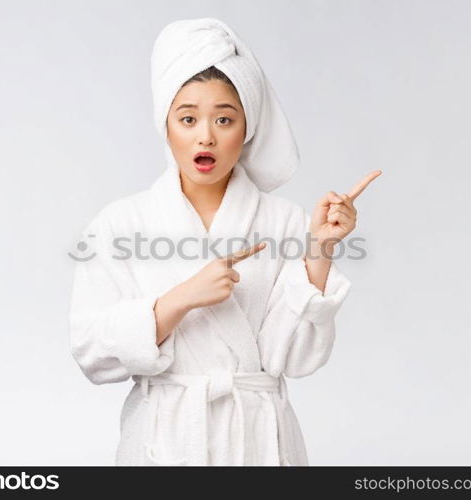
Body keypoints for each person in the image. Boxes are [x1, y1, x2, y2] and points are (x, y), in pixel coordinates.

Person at [68, 17, 380, 466]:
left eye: (224, 119)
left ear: (247, 129)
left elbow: (292, 358)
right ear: (166, 124)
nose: (206, 135)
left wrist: (319, 251)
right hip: (164, 442)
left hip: (258, 442)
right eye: (188, 117)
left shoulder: (285, 221)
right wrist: (177, 301)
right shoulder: (119, 224)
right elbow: (91, 352)